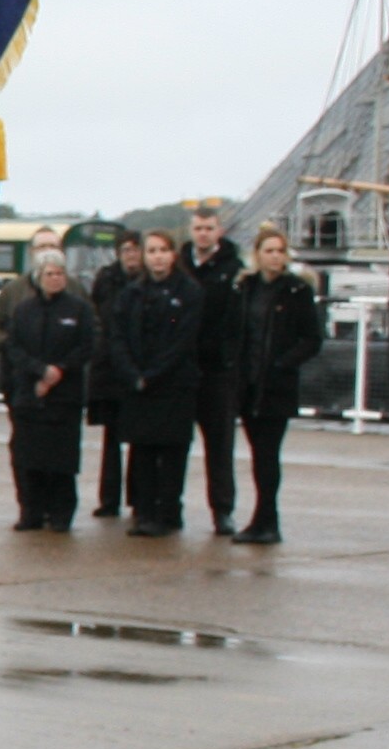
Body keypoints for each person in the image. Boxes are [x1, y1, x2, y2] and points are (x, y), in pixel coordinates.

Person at [99, 228, 203, 536]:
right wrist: (132, 373)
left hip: (173, 384)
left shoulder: (188, 292)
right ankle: (144, 511)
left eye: (162, 250)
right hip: (137, 385)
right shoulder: (131, 293)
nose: (157, 257)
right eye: (152, 251)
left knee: (171, 453)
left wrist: (155, 373)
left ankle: (169, 511)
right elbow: (116, 335)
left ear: (173, 255)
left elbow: (181, 338)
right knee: (142, 452)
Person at [231, 227, 324, 545]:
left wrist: (284, 362)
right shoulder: (247, 288)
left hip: (276, 385)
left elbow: (312, 339)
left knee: (268, 454)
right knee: (258, 454)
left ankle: (268, 521)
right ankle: (260, 519)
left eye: (279, 251)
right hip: (249, 384)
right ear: (257, 254)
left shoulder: (297, 291)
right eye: (269, 251)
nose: (274, 257)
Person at [2, 244, 94, 529]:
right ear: (39, 276)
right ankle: (31, 511)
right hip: (30, 396)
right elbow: (13, 347)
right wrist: (39, 371)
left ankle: (61, 514)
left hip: (64, 397)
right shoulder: (24, 310)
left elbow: (87, 346)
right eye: (50, 273)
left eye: (60, 273)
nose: (55, 278)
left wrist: (59, 370)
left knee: (61, 462)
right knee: (29, 460)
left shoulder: (78, 309)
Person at [180, 205, 247, 531]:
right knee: (175, 443)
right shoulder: (180, 267)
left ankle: (222, 510)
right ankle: (169, 507)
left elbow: (238, 323)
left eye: (209, 228)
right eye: (198, 228)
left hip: (218, 371)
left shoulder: (233, 269)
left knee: (220, 446)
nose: (203, 233)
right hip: (182, 368)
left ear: (219, 231)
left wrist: (230, 359)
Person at [89, 233, 139, 520]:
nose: (131, 255)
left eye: (135, 250)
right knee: (111, 440)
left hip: (135, 366)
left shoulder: (145, 282)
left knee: (138, 439)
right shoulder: (106, 279)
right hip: (109, 368)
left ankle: (136, 498)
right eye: (126, 250)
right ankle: (109, 499)